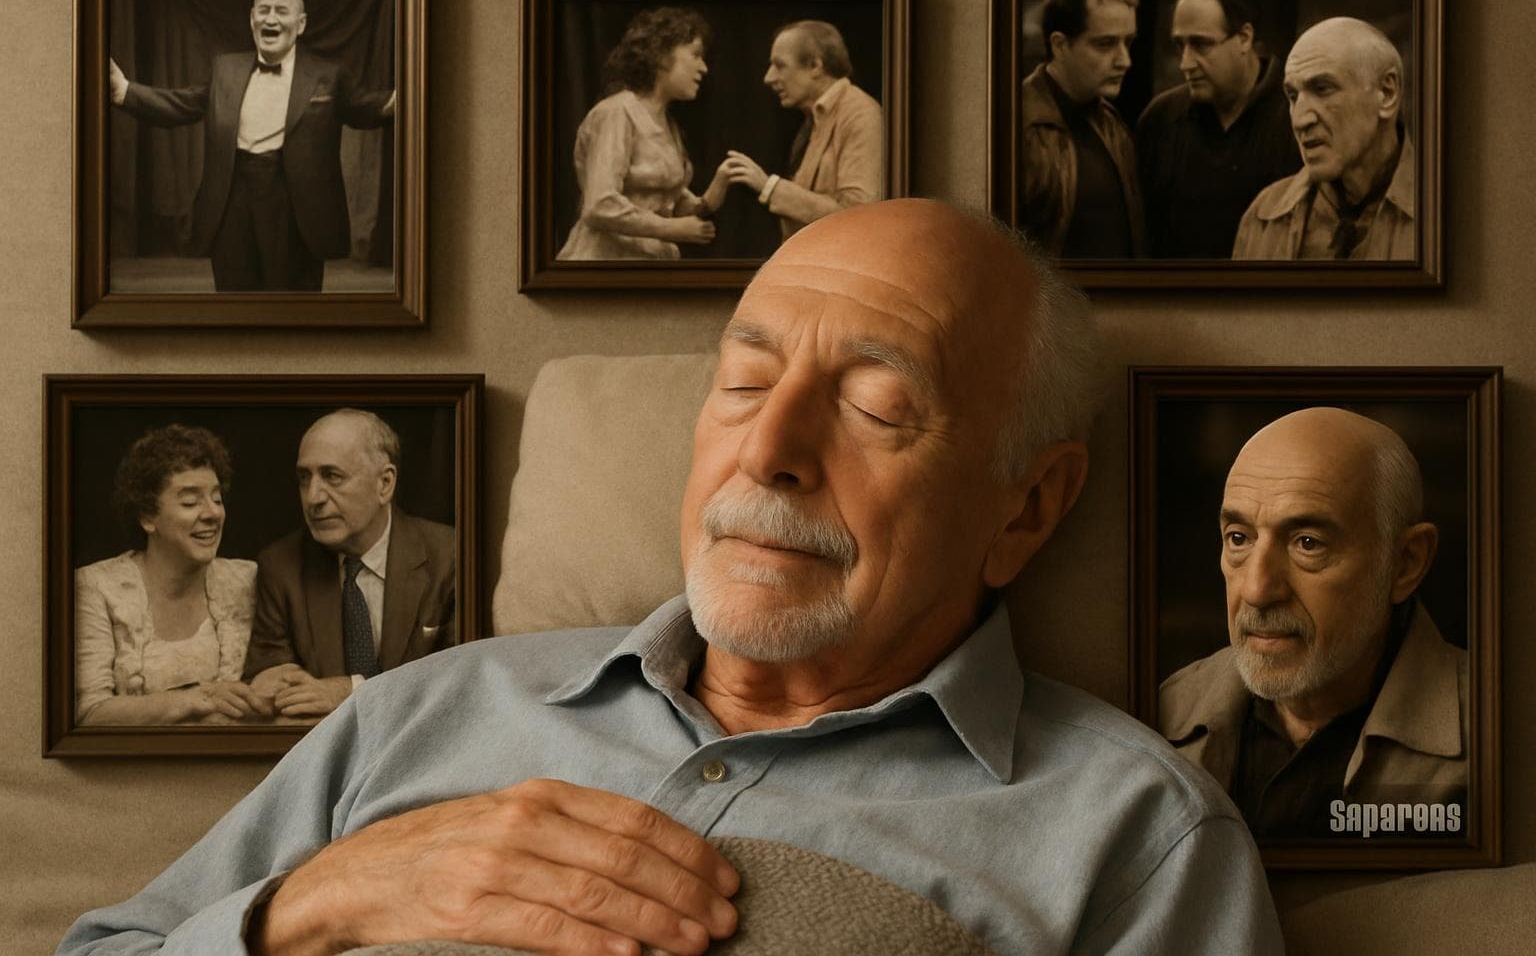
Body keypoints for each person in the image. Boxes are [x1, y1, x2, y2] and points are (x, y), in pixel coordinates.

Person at [60, 200, 1282, 955]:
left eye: (872, 404)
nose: (770, 450)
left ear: (1026, 506)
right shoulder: (420, 710)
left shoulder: (1138, 837)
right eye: (743, 386)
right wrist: (315, 904)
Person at [1159, 408, 1467, 839]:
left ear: (1405, 564)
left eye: (1308, 543)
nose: (1256, 590)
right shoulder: (1158, 717)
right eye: (1239, 538)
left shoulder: (1502, 739)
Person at [109, 0, 396, 292]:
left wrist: (404, 99)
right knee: (235, 302)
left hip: (296, 208)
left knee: (295, 309)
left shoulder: (329, 74)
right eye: (263, 10)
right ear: (251, 19)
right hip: (233, 200)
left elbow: (362, 108)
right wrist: (124, 91)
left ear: (300, 25)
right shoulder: (225, 68)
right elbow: (183, 105)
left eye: (281, 11)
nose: (270, 19)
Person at [242, 409, 455, 719]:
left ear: (385, 483)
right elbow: (269, 671)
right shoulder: (281, 565)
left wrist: (353, 690)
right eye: (304, 478)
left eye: (332, 476)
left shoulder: (449, 556)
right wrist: (280, 681)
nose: (313, 497)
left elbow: (463, 681)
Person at [75, 424, 263, 725]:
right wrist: (197, 699)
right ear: (148, 517)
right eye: (190, 501)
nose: (212, 513)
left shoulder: (249, 580)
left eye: (216, 498)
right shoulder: (96, 586)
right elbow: (91, 713)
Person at [1135, 0, 1300, 258]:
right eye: (1180, 46)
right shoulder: (1161, 119)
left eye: (1201, 45)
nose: (1185, 63)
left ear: (1245, 37)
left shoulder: (1297, 116)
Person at [556, 7, 732, 261]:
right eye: (695, 55)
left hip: (649, 263)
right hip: (602, 264)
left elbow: (672, 206)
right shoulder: (617, 112)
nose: (703, 67)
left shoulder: (667, 124)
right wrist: (672, 229)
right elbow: (599, 205)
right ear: (661, 56)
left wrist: (720, 183)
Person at [1232, 17, 1415, 260]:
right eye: (1293, 96)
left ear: (1387, 93)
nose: (1300, 120)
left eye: (1322, 89)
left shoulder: (1455, 215)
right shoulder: (1263, 216)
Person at [717, 20, 884, 241]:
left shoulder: (861, 114)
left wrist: (769, 186)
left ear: (816, 66)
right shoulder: (814, 119)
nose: (768, 78)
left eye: (780, 65)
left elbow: (858, 216)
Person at [1017, 0, 1145, 258]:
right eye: (1105, 44)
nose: (1125, 60)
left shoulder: (1112, 124)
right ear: (1060, 45)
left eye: (1128, 42)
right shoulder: (1017, 124)